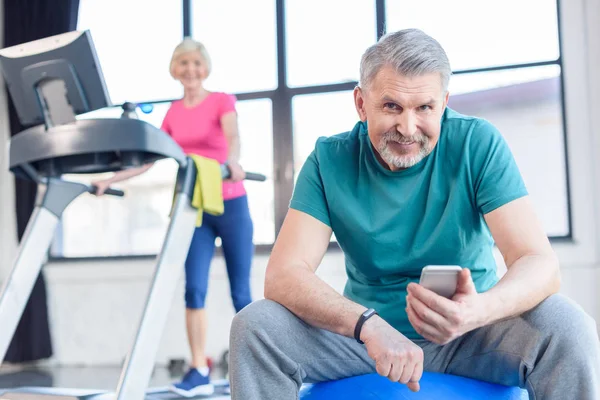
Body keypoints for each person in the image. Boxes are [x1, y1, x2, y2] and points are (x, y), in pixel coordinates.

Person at [228, 29, 600, 400]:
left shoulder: (477, 143)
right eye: (391, 106)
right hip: (367, 340)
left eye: (424, 108)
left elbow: (538, 261)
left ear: (443, 102)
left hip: (471, 334)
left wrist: (480, 310)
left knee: (567, 327)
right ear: (361, 104)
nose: (407, 128)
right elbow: (283, 274)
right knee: (256, 326)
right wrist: (367, 325)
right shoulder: (329, 160)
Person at [93, 38, 255, 397]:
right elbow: (149, 161)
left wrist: (234, 162)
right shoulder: (173, 113)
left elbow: (233, 137)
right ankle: (198, 368)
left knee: (241, 293)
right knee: (193, 289)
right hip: (193, 209)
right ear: (175, 69)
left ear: (205, 67)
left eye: (197, 63)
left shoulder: (221, 100)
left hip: (230, 203)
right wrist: (109, 179)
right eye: (183, 63)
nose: (190, 69)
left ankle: (254, 365)